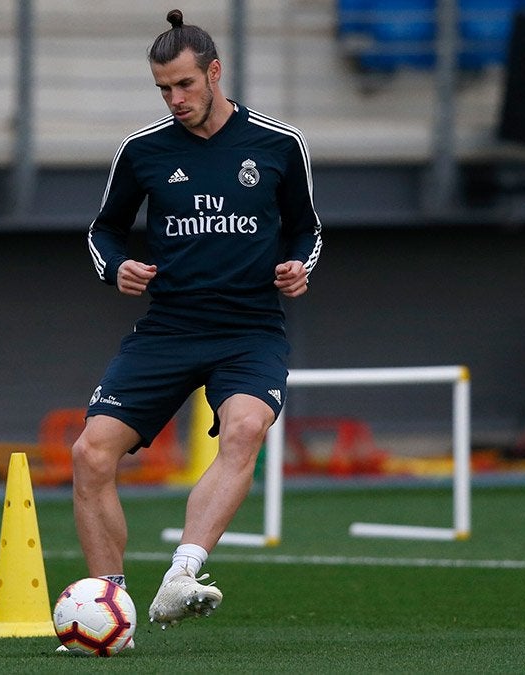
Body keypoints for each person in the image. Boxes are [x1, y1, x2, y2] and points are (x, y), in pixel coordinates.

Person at [73, 8, 323, 633]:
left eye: (184, 85)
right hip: (169, 328)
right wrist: (117, 269)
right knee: (89, 455)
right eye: (163, 88)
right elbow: (104, 230)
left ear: (215, 72)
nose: (174, 99)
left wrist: (298, 265)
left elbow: (306, 229)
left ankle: (182, 574)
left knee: (244, 430)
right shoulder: (142, 151)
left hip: (250, 331)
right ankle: (111, 609)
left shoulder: (279, 144)